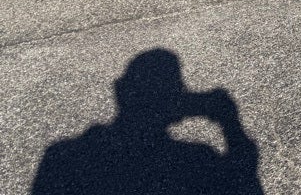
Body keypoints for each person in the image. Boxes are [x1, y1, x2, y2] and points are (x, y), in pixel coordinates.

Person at [32, 48, 263, 194]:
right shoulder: (196, 159)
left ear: (120, 90)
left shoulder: (62, 156)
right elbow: (245, 182)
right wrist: (230, 121)